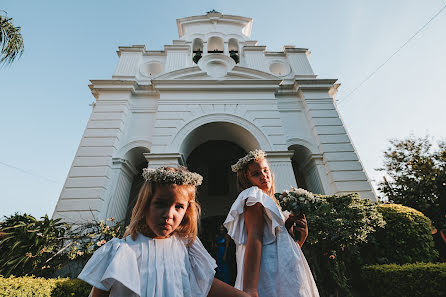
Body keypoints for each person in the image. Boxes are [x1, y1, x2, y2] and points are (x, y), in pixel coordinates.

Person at [78, 166, 249, 297]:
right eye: (160, 203)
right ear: (146, 205)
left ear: (187, 211)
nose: (168, 214)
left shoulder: (187, 246)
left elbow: (206, 283)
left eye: (178, 207)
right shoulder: (120, 251)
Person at [224, 150, 319, 297]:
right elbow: (254, 237)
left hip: (287, 268)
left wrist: (300, 235)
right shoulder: (253, 196)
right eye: (256, 174)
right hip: (269, 268)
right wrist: (250, 288)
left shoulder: (272, 201)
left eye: (265, 170)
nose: (263, 176)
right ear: (246, 179)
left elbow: (282, 246)